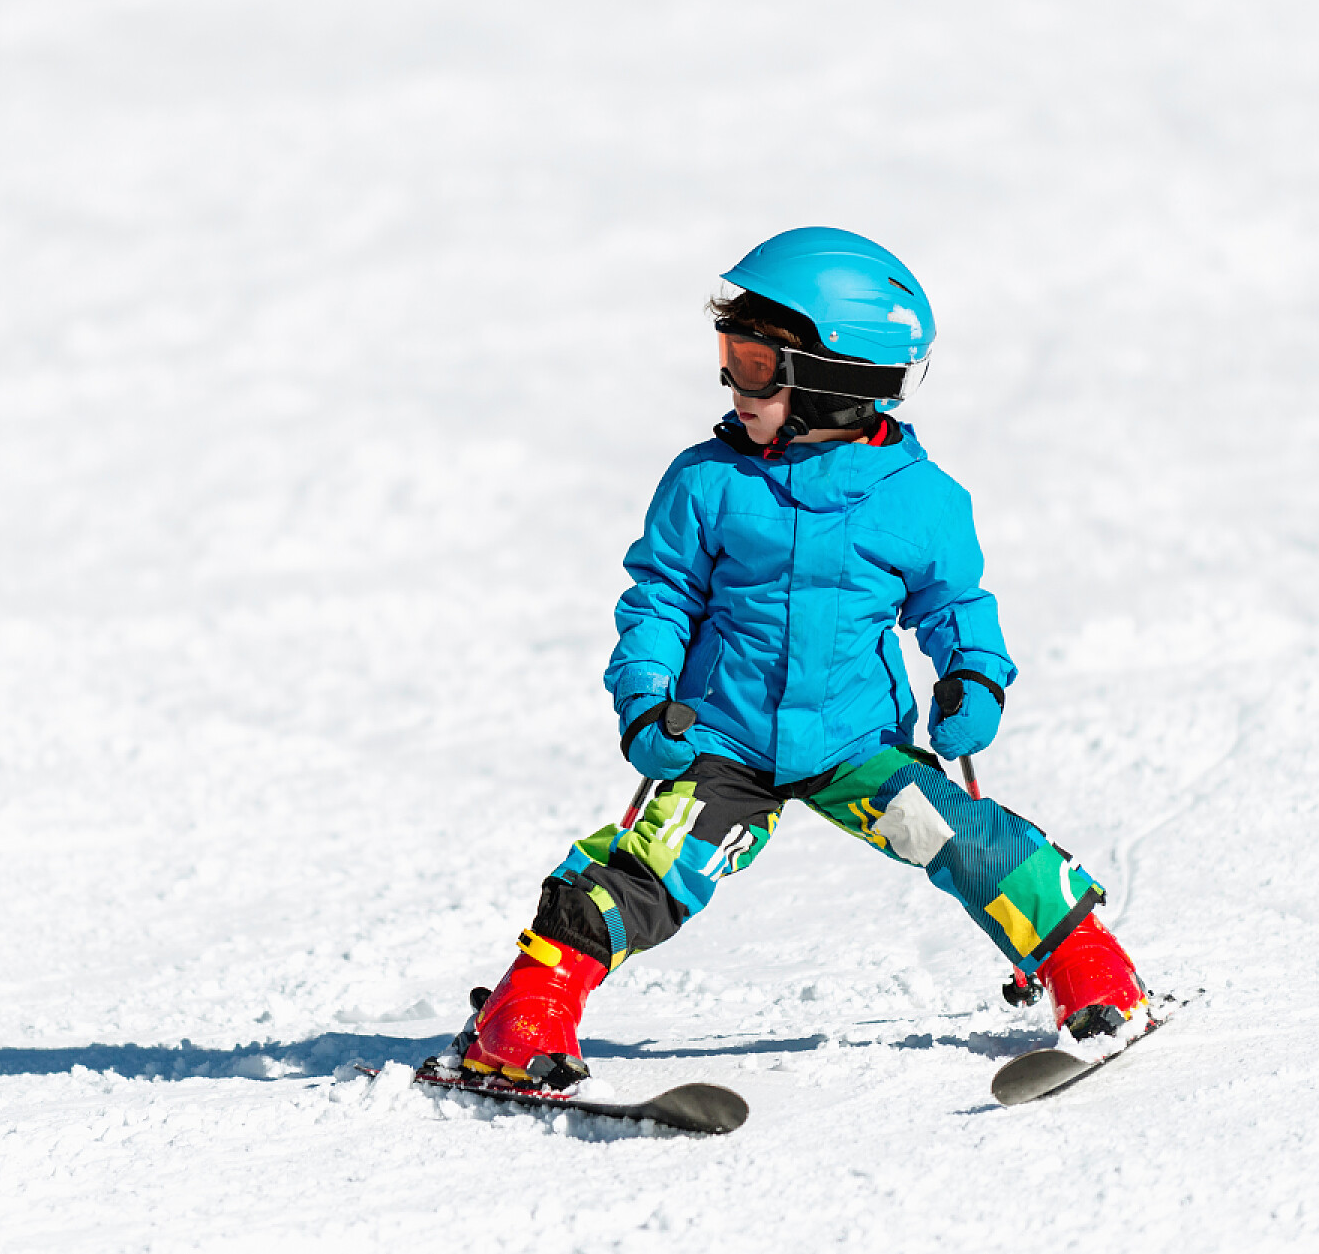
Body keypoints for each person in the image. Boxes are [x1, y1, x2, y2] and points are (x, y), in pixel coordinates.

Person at [434, 227, 1148, 1090]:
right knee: (648, 869)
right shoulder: (707, 481)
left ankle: (1091, 970)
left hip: (857, 748)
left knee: (974, 843)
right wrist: (647, 700)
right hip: (727, 742)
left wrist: (973, 674)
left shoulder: (918, 497)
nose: (734, 382)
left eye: (756, 362)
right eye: (730, 355)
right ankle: (521, 1017)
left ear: (837, 380)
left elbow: (956, 605)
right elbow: (659, 598)